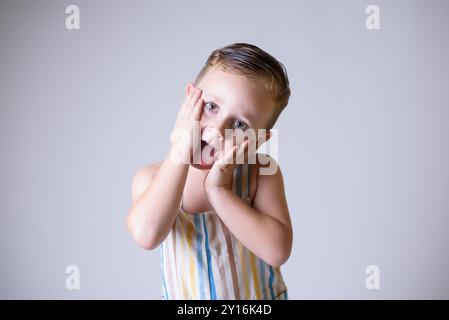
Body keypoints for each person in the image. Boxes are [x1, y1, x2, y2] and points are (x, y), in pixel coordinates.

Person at [126, 43, 292, 299]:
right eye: (212, 107)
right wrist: (180, 151)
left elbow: (277, 251)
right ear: (190, 98)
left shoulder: (261, 174)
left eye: (239, 124)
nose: (217, 129)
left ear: (258, 140)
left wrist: (220, 191)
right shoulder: (152, 178)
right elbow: (147, 235)